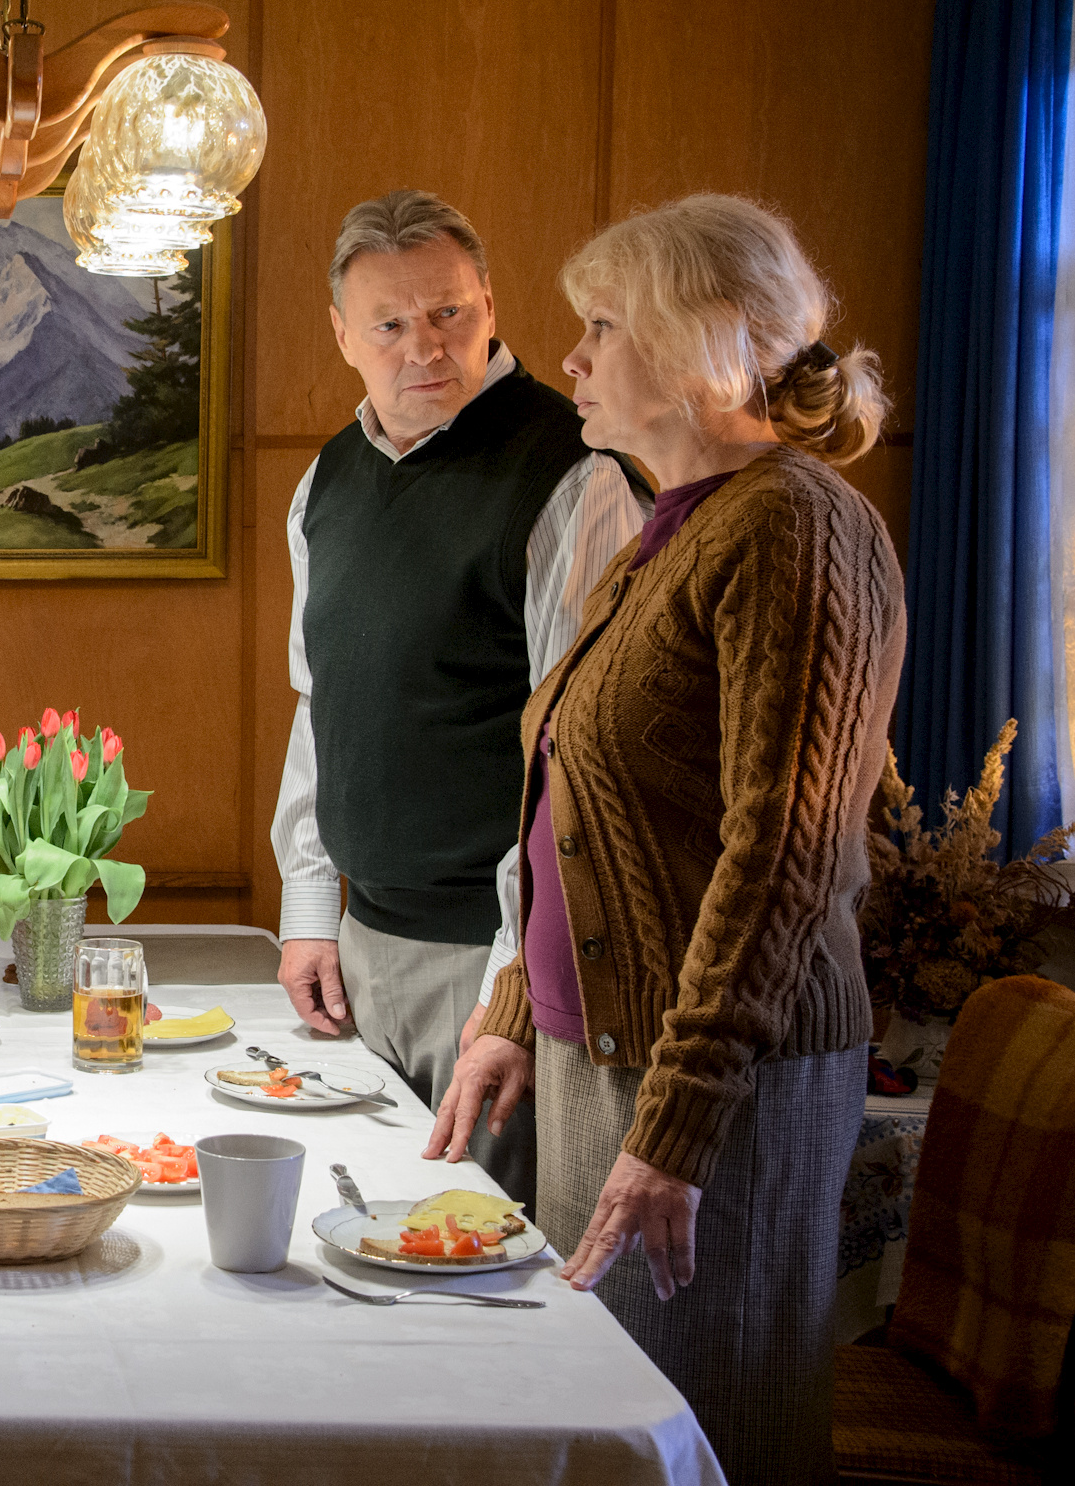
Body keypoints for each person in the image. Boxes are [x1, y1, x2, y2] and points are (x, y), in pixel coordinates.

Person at [426, 194, 902, 1483]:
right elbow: (580, 811)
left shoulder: (793, 526)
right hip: (614, 1061)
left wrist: (680, 1121)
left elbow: (781, 858)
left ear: (705, 344)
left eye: (599, 325)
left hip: (715, 1087)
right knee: (615, 1414)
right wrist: (518, 1012)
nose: (569, 357)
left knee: (702, 1428)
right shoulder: (674, 525)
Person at [271, 190, 646, 1204]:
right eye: (391, 324)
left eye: (450, 313)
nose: (425, 347)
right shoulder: (327, 481)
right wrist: (310, 905)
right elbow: (322, 701)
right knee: (352, 1250)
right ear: (344, 336)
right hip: (360, 952)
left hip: (492, 965)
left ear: (489, 303)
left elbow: (585, 761)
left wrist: (510, 994)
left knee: (478, 1274)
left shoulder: (574, 471)